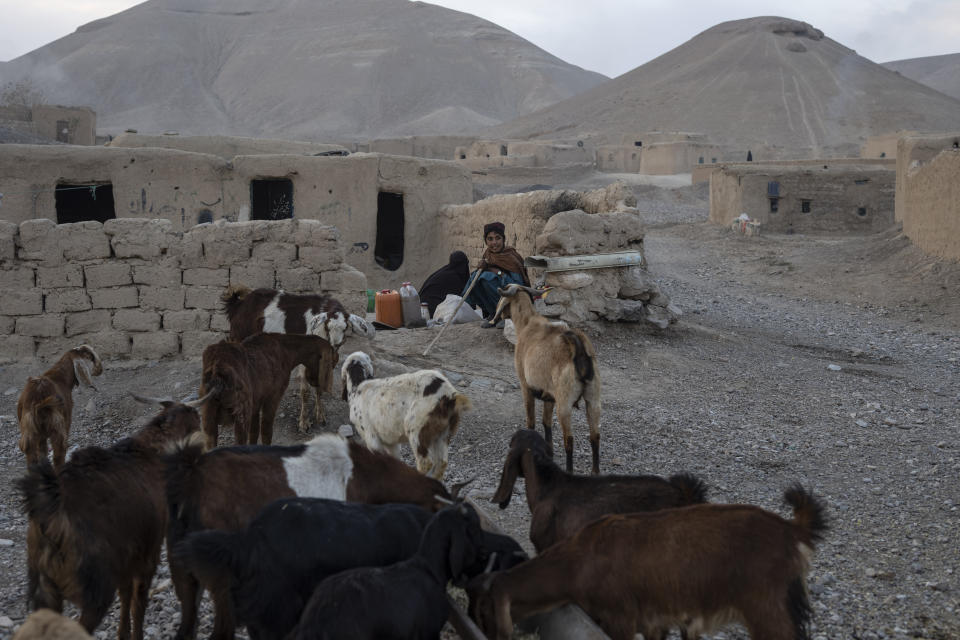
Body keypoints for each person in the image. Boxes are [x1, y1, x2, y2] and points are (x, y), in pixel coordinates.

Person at [462, 221, 529, 327]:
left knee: (486, 277)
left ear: (503, 239)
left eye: (498, 238)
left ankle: (508, 316)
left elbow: (518, 286)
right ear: (486, 241)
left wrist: (497, 272)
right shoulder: (488, 254)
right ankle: (494, 314)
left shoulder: (511, 256)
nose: (494, 243)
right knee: (476, 277)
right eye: (490, 239)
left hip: (516, 301)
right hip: (500, 296)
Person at [419, 250, 470, 317]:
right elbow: (460, 300)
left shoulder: (448, 271)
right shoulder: (453, 277)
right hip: (429, 309)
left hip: (422, 307)